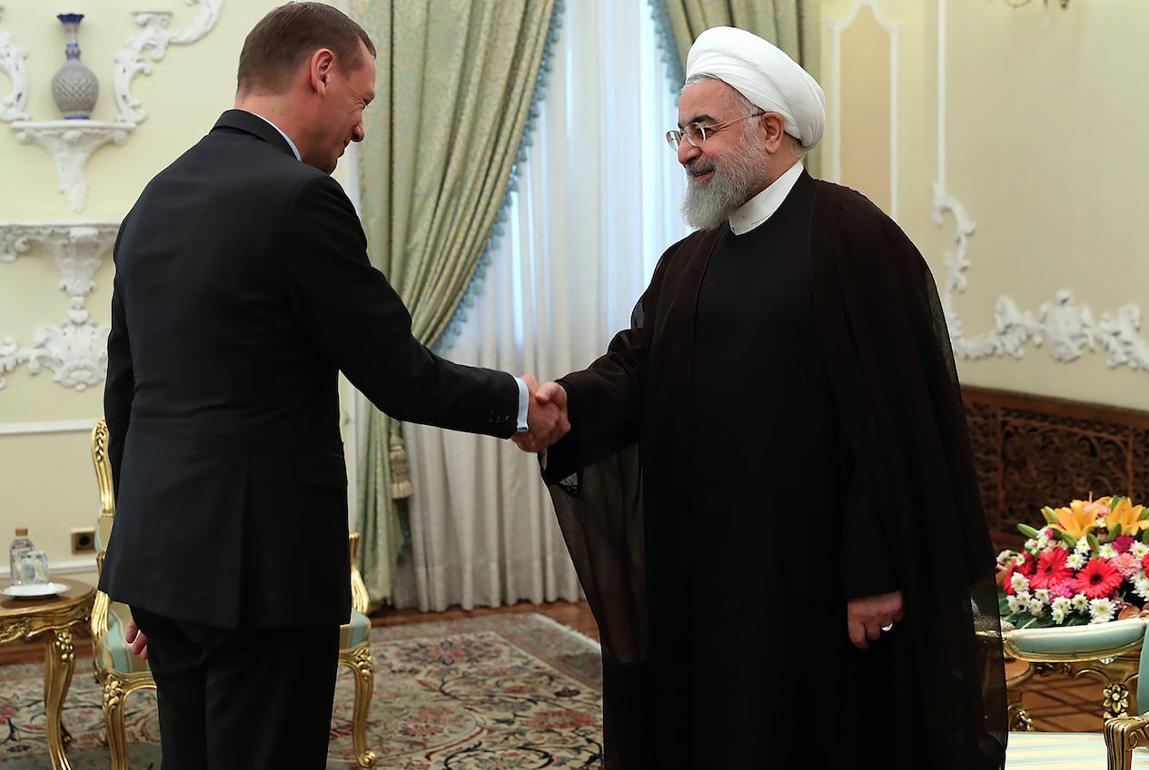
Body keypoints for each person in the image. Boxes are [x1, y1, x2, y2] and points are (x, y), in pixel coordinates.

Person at [515, 26, 1006, 770]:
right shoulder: (689, 259)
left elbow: (895, 425)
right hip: (704, 569)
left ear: (771, 131)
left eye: (704, 130)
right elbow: (635, 370)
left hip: (815, 580)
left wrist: (876, 575)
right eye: (680, 132)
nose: (685, 151)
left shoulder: (854, 240)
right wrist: (565, 403)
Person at [101, 4, 568, 768]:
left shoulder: (153, 200)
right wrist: (518, 402)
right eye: (364, 100)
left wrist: (151, 568)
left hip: (167, 569)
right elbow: (399, 375)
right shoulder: (298, 199)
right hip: (264, 574)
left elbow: (128, 393)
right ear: (321, 71)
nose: (359, 129)